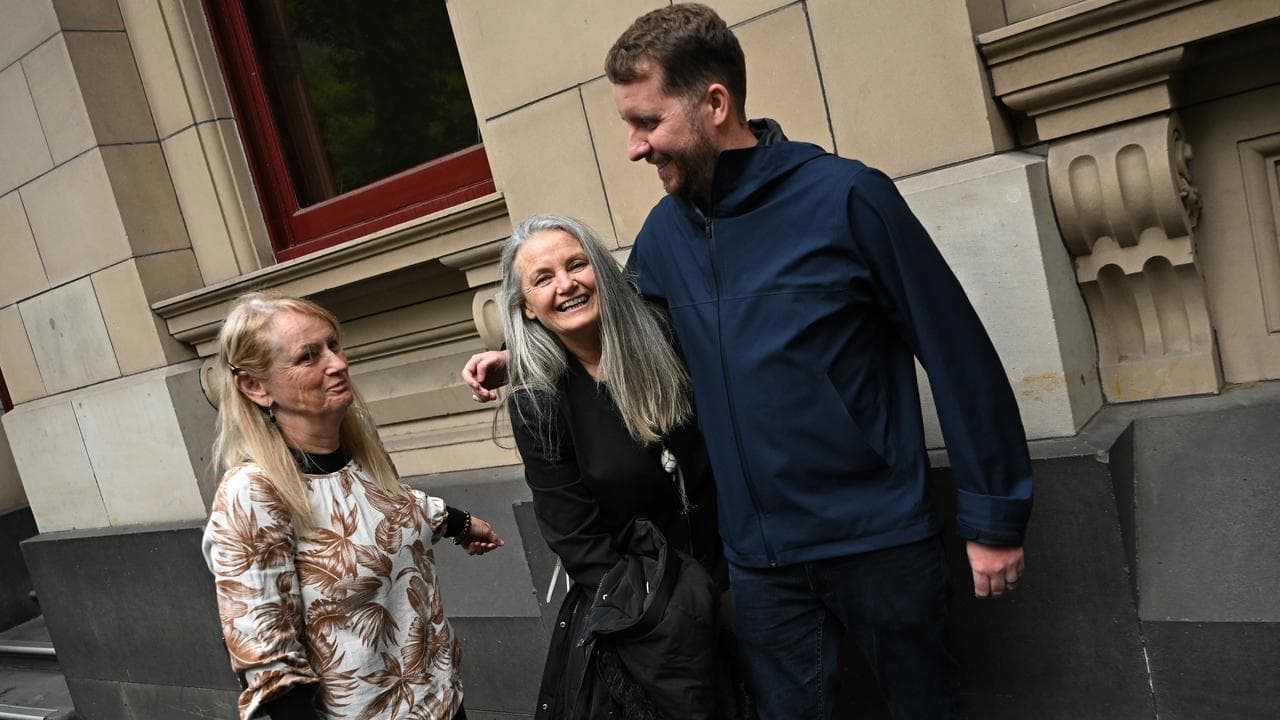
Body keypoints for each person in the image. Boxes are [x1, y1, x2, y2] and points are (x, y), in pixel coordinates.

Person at [465, 5, 1033, 719]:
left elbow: (957, 354)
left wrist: (994, 517)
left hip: (879, 540)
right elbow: (623, 335)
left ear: (714, 102)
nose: (635, 147)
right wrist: (520, 354)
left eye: (647, 122)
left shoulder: (847, 197)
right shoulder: (665, 235)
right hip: (760, 566)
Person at [203, 292, 503, 720]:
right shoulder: (252, 492)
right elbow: (267, 658)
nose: (337, 363)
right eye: (308, 357)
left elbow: (392, 507)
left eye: (333, 345)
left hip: (442, 703)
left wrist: (459, 523)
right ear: (255, 386)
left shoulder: (358, 448)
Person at [498, 213, 749, 719]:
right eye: (543, 279)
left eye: (576, 264)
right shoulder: (539, 404)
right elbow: (574, 537)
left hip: (740, 575)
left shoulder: (664, 335)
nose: (566, 284)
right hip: (656, 617)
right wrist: (657, 615)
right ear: (525, 308)